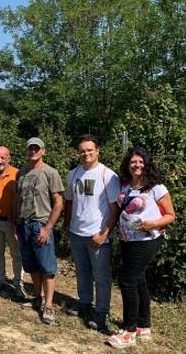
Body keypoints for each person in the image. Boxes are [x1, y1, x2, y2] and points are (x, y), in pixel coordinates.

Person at [107, 148, 175, 349]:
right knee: (138, 280)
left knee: (127, 280)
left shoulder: (156, 187)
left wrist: (152, 224)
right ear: (128, 165)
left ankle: (128, 332)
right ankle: (144, 326)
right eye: (132, 162)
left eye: (140, 162)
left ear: (147, 164)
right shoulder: (125, 186)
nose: (136, 165)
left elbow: (171, 215)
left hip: (147, 240)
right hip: (128, 240)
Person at [63, 134, 121, 332]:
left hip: (97, 235)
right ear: (78, 152)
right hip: (76, 232)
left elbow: (115, 209)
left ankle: (101, 312)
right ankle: (84, 303)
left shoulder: (108, 175)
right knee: (82, 272)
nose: (86, 153)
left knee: (101, 276)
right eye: (82, 150)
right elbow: (69, 202)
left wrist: (105, 233)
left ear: (97, 151)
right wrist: (67, 224)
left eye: (90, 150)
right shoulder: (73, 174)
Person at [15, 137, 64, 324]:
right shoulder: (22, 173)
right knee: (31, 265)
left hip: (40, 224)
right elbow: (17, 199)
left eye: (37, 148)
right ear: (26, 151)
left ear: (43, 151)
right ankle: (37, 298)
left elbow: (58, 203)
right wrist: (15, 223)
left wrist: (48, 227)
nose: (33, 151)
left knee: (47, 266)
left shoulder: (50, 172)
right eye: (30, 148)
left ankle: (49, 305)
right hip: (24, 224)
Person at [0, 146, 25, 298]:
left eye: (3, 157)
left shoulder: (18, 174)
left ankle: (18, 285)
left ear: (9, 158)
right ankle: (0, 281)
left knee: (17, 255)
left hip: (13, 223)